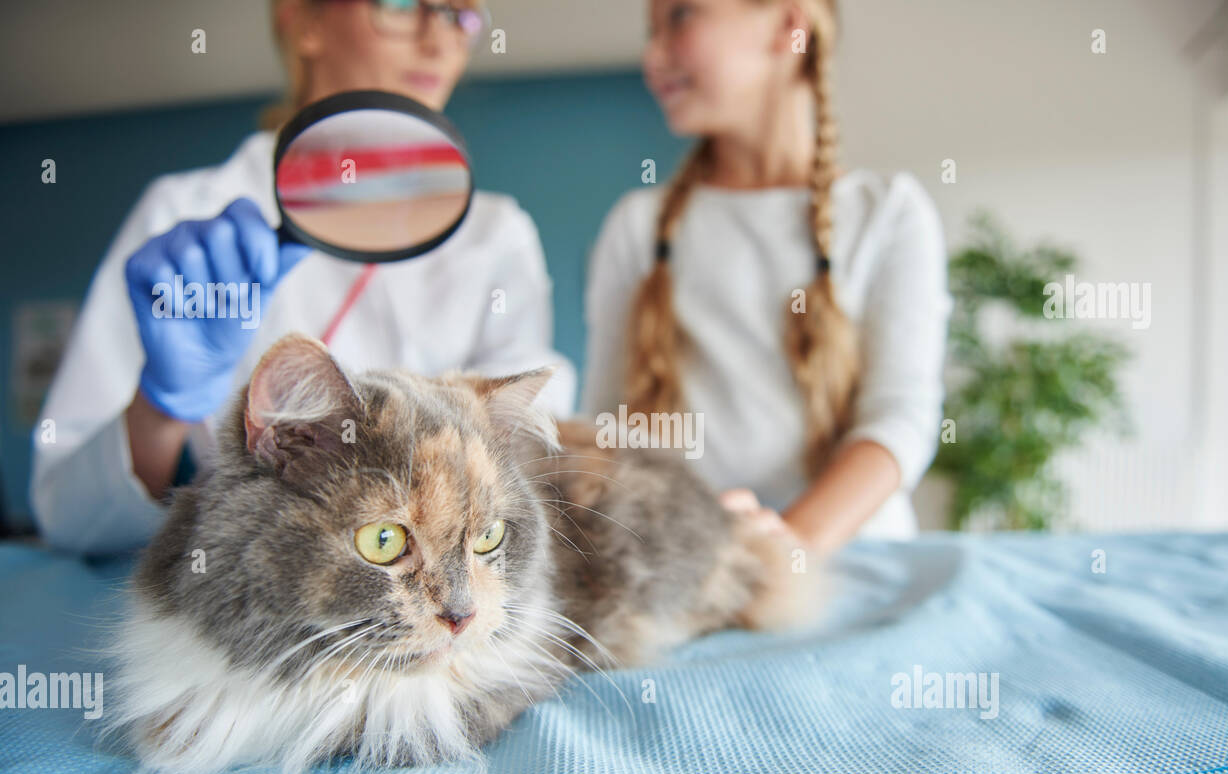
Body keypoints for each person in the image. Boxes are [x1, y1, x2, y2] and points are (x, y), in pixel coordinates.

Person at [30, 0, 575, 555]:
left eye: (462, 17)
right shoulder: (187, 211)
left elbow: (526, 462)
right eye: (403, 5)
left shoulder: (495, 232)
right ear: (304, 20)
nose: (440, 42)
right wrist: (162, 407)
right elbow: (66, 515)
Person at [581, 0, 953, 552]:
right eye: (650, 31)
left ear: (788, 26)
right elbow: (604, 428)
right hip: (694, 569)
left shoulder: (889, 213)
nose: (652, 56)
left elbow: (899, 419)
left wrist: (787, 548)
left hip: (857, 564)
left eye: (680, 16)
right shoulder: (638, 227)